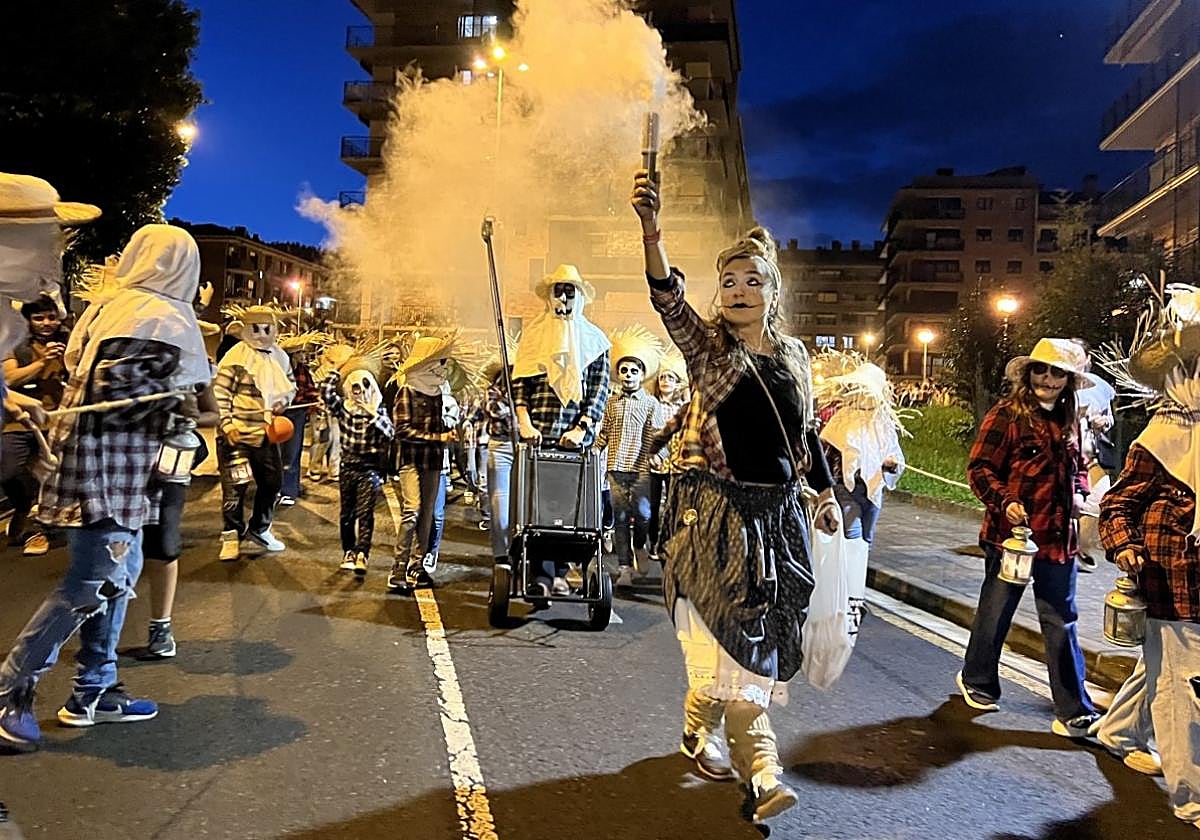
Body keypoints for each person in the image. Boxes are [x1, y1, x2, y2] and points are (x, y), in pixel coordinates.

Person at [631, 171, 840, 825]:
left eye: (753, 281)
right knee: (732, 661)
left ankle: (699, 730)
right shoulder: (709, 352)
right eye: (728, 282)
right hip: (715, 519)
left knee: (745, 657)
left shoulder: (795, 356)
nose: (739, 290)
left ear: (773, 292)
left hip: (778, 524)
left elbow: (805, 435)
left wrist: (825, 493)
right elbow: (668, 300)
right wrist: (651, 230)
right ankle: (765, 775)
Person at [0, 222, 210, 750]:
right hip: (109, 470)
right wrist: (182, 410)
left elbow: (86, 371)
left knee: (119, 576)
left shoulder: (109, 306)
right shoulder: (159, 316)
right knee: (91, 583)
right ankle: (9, 690)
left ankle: (95, 691)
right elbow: (125, 394)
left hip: (107, 466)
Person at [957, 338, 1100, 737]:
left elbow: (1081, 468)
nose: (1048, 380)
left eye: (1058, 374)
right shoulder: (1007, 414)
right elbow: (980, 468)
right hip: (1012, 538)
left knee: (1061, 619)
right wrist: (1005, 502)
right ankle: (977, 680)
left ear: (1069, 381)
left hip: (1059, 537)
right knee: (996, 611)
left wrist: (1081, 493)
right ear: (1029, 373)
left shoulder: (1073, 419)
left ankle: (1074, 707)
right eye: (1041, 370)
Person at [1097, 289, 1200, 827]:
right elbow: (1117, 503)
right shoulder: (1162, 436)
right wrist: (1125, 546)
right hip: (1171, 579)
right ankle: (1191, 797)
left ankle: (1117, 731)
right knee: (1182, 688)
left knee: (1164, 670)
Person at [510, 264, 611, 596]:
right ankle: (542, 575)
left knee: (569, 509)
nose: (564, 297)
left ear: (579, 296)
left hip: (574, 441)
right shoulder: (534, 335)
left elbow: (598, 391)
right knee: (537, 509)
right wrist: (524, 421)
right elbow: (521, 384)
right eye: (559, 291)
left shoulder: (596, 341)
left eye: (570, 291)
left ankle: (558, 573)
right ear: (550, 296)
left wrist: (582, 428)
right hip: (538, 435)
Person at [815, 356, 906, 637]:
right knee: (852, 539)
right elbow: (824, 453)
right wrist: (826, 488)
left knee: (865, 542)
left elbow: (896, 456)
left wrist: (892, 465)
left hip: (873, 490)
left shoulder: (883, 423)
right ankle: (847, 596)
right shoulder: (842, 418)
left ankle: (855, 596)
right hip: (845, 491)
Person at [213, 305, 296, 560]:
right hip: (236, 436)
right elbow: (220, 394)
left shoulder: (280, 357)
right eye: (256, 329)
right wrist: (227, 425)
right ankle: (231, 535)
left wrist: (283, 402)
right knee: (235, 487)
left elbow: (290, 386)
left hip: (266, 435)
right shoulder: (235, 358)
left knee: (272, 483)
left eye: (267, 329)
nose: (261, 335)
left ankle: (260, 528)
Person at [595, 325, 666, 589]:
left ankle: (640, 545)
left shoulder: (651, 404)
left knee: (644, 514)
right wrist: (593, 449)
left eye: (633, 371)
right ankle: (625, 568)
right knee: (621, 519)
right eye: (624, 370)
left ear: (641, 375)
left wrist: (658, 455)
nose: (628, 375)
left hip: (641, 470)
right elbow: (604, 433)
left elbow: (659, 434)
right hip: (615, 468)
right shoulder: (611, 403)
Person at [2, 294, 70, 555]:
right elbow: (8, 380)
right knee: (7, 471)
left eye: (52, 317)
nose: (46, 323)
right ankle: (23, 506)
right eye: (39, 318)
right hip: (19, 421)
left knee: (53, 477)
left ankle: (40, 530)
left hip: (56, 419)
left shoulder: (68, 339)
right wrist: (42, 362)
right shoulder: (15, 343)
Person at [389, 336, 457, 591]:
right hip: (411, 460)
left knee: (427, 514)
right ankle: (398, 568)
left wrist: (449, 430)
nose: (443, 367)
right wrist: (439, 437)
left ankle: (417, 566)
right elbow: (402, 430)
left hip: (433, 461)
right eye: (440, 361)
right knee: (413, 510)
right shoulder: (407, 390)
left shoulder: (437, 392)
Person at [321, 367, 393, 576]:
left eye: (365, 387)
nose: (360, 392)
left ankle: (362, 553)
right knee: (347, 513)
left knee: (365, 512)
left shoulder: (378, 410)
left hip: (370, 469)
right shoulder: (344, 409)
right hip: (347, 467)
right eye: (355, 388)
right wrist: (337, 369)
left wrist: (372, 413)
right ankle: (348, 551)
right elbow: (325, 392)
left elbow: (390, 433)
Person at [648, 348, 689, 560]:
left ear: (677, 383)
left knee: (673, 505)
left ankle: (670, 544)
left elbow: (679, 435)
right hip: (655, 462)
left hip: (675, 461)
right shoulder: (652, 403)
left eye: (670, 378)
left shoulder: (682, 408)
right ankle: (653, 543)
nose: (665, 381)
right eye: (662, 378)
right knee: (654, 505)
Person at [278, 341, 320, 507]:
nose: (304, 356)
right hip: (280, 413)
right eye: (300, 353)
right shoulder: (279, 370)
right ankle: (278, 487)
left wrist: (317, 400)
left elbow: (310, 389)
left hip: (297, 413)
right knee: (278, 451)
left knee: (293, 452)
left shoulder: (303, 370)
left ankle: (289, 490)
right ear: (292, 355)